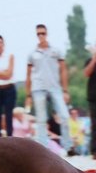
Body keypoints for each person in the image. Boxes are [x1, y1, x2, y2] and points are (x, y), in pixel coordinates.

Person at [24, 24, 72, 154]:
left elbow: (63, 70)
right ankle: (43, 149)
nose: (41, 36)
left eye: (43, 33)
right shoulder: (32, 54)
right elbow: (28, 75)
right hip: (38, 87)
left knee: (64, 115)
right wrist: (28, 95)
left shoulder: (56, 51)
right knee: (41, 119)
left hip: (55, 87)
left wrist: (65, 90)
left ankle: (68, 147)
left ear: (47, 34)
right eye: (38, 34)